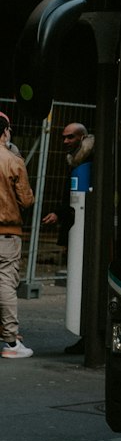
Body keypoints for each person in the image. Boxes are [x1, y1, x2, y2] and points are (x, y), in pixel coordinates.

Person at [42, 121, 94, 354]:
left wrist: (60, 213)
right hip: (76, 225)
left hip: (83, 229)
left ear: (82, 138)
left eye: (70, 137)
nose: (65, 142)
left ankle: (88, 336)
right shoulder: (77, 161)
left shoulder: (86, 163)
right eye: (63, 137)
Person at [0, 110, 36, 359]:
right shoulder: (13, 161)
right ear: (5, 131)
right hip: (7, 233)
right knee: (5, 284)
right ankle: (11, 343)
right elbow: (27, 199)